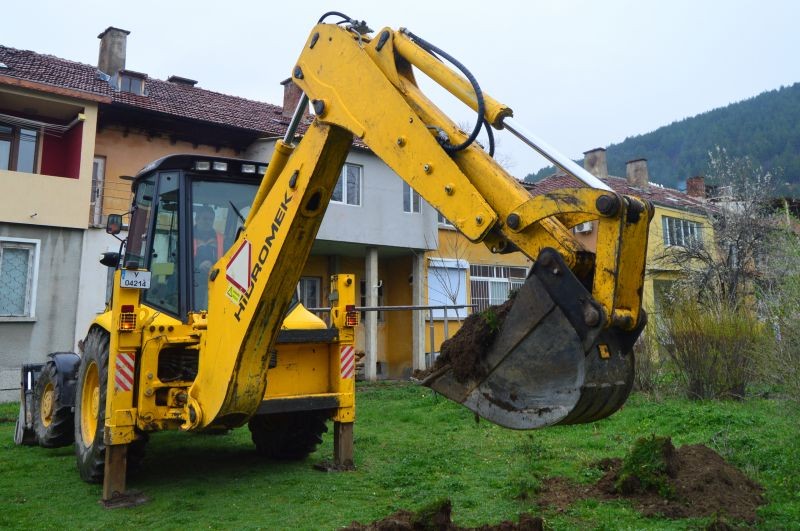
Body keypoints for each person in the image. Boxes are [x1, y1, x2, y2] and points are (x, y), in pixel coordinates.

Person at [193, 205, 222, 309]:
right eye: (205, 218)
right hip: (192, 281)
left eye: (211, 219)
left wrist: (213, 265)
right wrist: (198, 265)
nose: (208, 222)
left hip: (215, 280)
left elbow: (227, 258)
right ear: (197, 219)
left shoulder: (220, 239)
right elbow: (178, 260)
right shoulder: (186, 236)